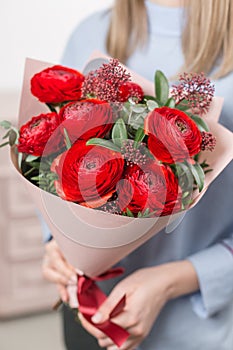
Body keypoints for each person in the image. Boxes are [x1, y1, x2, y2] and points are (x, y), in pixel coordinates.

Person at [42, 0, 233, 349]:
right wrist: (56, 244)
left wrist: (173, 281)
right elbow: (52, 158)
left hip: (200, 330)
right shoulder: (91, 33)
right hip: (90, 314)